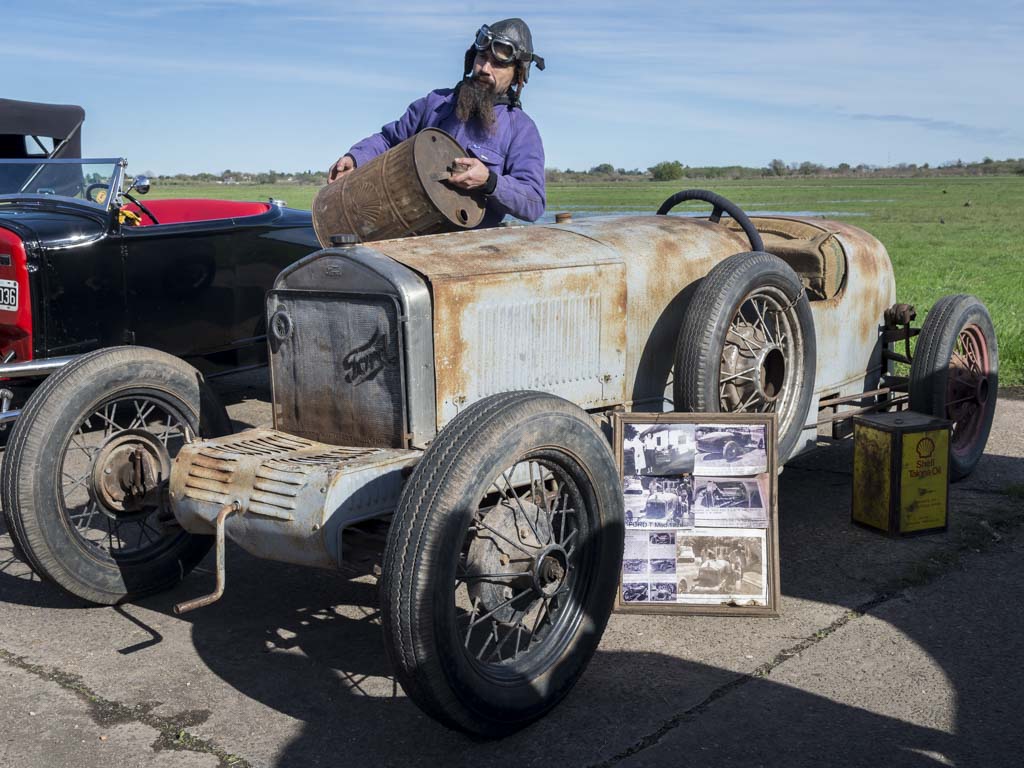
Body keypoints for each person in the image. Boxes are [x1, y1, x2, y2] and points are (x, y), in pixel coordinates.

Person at [328, 18, 546, 228]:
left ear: (517, 74)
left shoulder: (522, 129)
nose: (485, 68)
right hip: (406, 229)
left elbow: (533, 202)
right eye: (482, 57)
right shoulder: (436, 104)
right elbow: (388, 140)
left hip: (469, 246)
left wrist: (489, 181)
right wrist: (356, 158)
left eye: (498, 63)